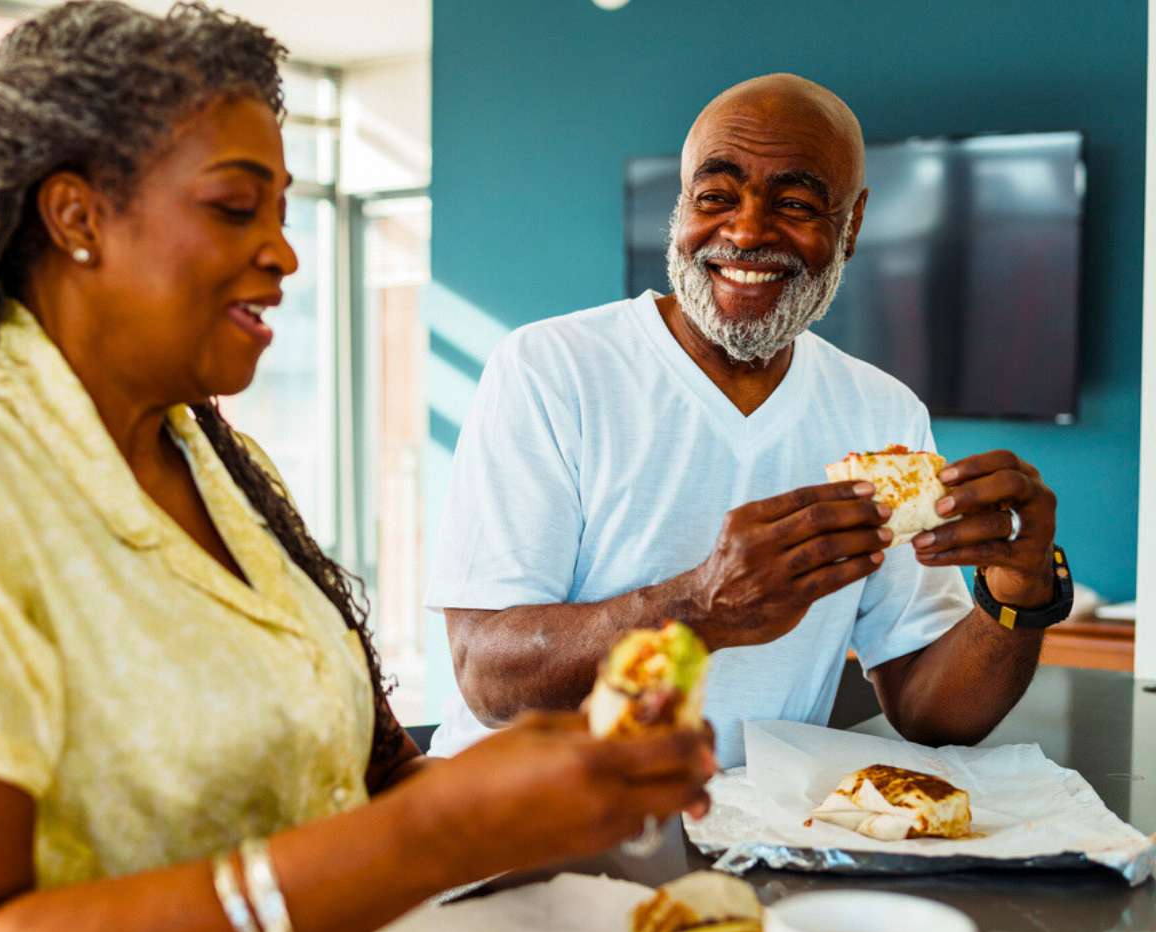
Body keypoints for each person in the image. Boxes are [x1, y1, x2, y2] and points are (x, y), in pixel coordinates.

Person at [0, 4, 716, 932]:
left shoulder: (225, 476)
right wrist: (428, 833)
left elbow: (354, 803)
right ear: (77, 216)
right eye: (236, 208)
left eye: (283, 212)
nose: (283, 253)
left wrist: (551, 778)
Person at [427, 73, 1067, 764]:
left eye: (794, 202)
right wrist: (699, 607)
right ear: (681, 211)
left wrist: (1017, 590)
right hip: (531, 839)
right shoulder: (551, 370)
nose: (747, 230)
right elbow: (486, 676)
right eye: (715, 197)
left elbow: (931, 708)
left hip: (756, 843)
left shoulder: (882, 411)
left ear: (850, 227)